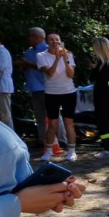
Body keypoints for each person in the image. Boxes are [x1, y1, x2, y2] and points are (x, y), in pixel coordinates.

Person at [35, 33, 78, 162]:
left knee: (68, 122)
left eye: (57, 40)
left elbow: (71, 75)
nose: (54, 42)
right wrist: (57, 59)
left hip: (68, 92)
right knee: (52, 124)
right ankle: (48, 151)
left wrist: (65, 59)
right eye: (51, 40)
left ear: (61, 41)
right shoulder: (41, 56)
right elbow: (50, 73)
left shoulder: (68, 54)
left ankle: (72, 151)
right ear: (47, 42)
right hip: (51, 93)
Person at [15, 28, 49, 143]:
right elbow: (25, 68)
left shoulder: (48, 50)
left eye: (29, 36)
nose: (27, 39)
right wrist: (23, 65)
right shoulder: (28, 51)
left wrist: (28, 64)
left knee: (53, 116)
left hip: (47, 88)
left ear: (37, 37)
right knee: (39, 117)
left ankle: (60, 140)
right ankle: (43, 141)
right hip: (34, 88)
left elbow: (48, 69)